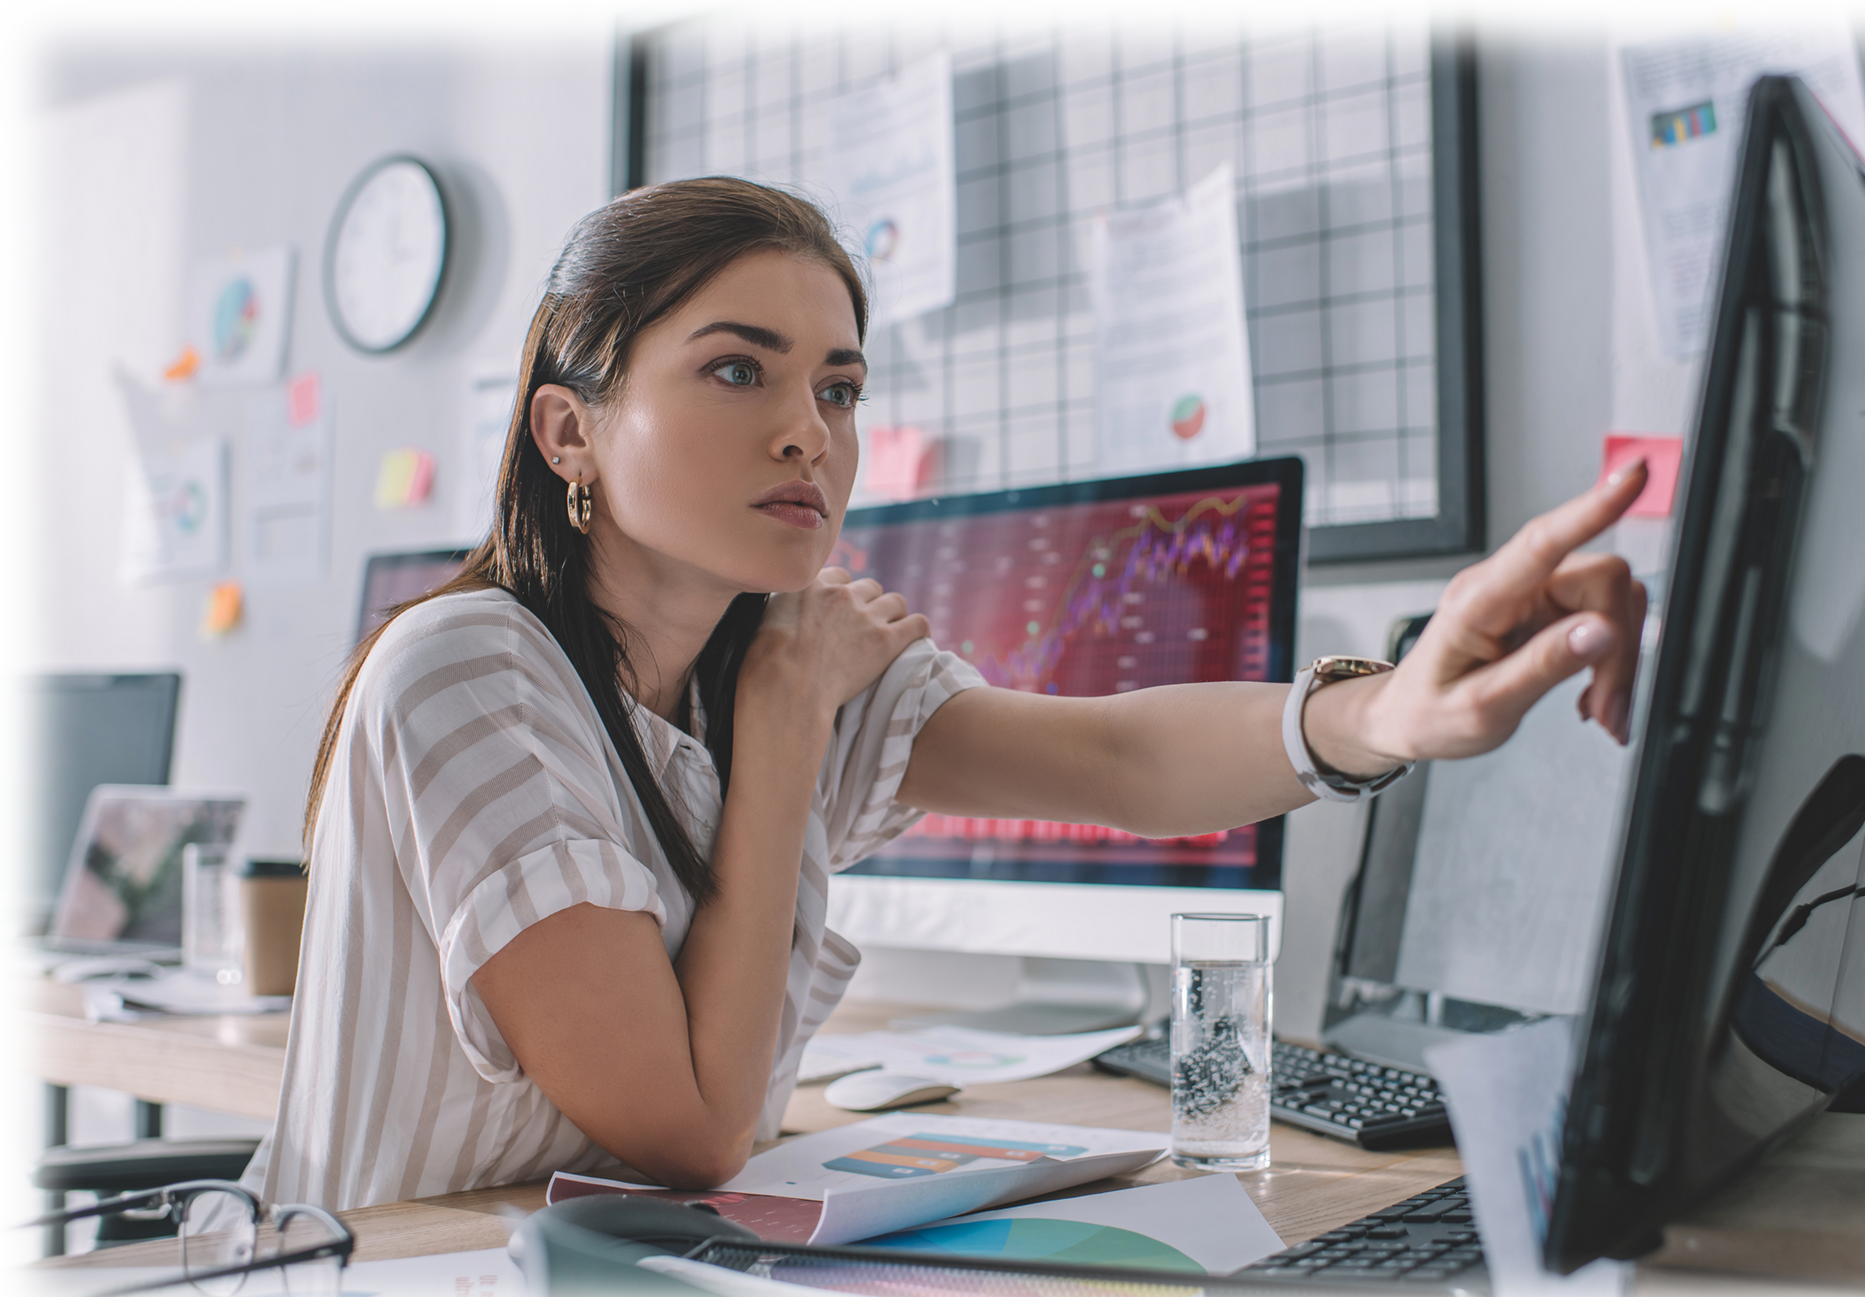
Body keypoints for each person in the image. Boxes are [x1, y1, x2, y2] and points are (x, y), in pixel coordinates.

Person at [243, 177, 1648, 1210]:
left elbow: (1115, 761)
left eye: (840, 388)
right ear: (571, 428)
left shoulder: (787, 645)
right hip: (387, 1293)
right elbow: (691, 1127)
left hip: (593, 1277)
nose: (810, 431)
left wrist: (1388, 711)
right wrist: (787, 731)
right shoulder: (473, 670)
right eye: (737, 368)